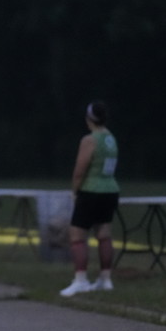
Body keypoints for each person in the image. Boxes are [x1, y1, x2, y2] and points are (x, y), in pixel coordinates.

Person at [60, 100, 120, 297]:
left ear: (89, 119)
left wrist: (75, 190)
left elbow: (80, 170)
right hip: (110, 189)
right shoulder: (111, 138)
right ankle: (105, 279)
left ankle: (81, 280)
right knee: (104, 233)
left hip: (91, 190)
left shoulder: (89, 140)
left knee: (77, 235)